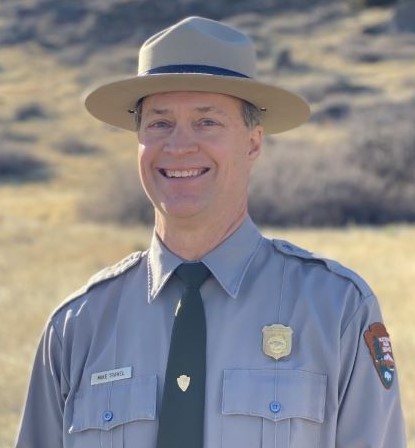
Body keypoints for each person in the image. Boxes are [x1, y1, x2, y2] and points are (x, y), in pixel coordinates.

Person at [16, 16, 406, 448]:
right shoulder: (77, 328)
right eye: (159, 123)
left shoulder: (336, 312)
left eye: (207, 122)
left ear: (253, 142)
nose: (179, 146)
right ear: (138, 141)